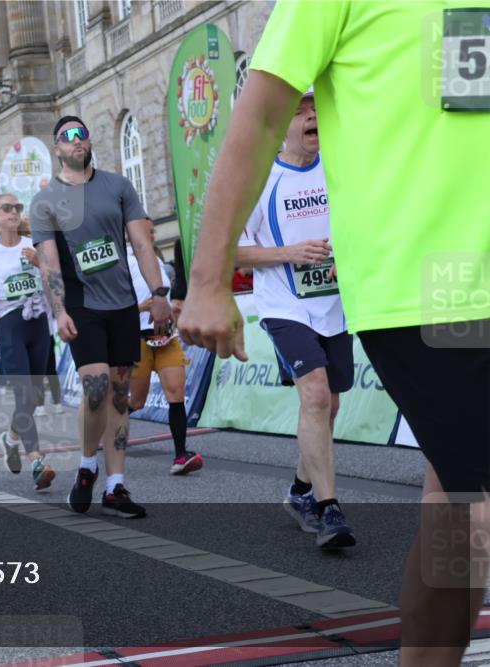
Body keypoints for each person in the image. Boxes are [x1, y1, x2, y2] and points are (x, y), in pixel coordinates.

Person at [178, 3, 488, 663]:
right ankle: (320, 496)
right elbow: (261, 115)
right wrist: (207, 278)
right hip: (426, 289)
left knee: (458, 511)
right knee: (471, 504)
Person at [232, 90, 355, 548]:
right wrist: (290, 253)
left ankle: (301, 491)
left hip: (335, 305)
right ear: (281, 126)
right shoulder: (261, 179)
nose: (310, 117)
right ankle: (329, 510)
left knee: (330, 405)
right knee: (316, 395)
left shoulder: (340, 167)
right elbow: (234, 252)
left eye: (315, 109)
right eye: (299, 112)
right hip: (284, 305)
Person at [31, 116, 171, 518]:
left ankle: (115, 486)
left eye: (82, 133)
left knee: (120, 394)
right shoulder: (45, 201)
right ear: (57, 149)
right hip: (82, 305)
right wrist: (59, 311)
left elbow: (142, 244)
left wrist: (159, 293)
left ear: (89, 142)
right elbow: (49, 264)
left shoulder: (118, 187)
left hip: (122, 304)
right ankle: (87, 465)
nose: (77, 140)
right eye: (67, 136)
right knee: (96, 388)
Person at [0, 193, 56, 490]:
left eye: (17, 208)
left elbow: (57, 279)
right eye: (6, 208)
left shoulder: (34, 246)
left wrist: (41, 263)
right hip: (9, 325)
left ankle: (10, 439)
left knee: (34, 395)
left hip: (39, 322)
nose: (13, 212)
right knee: (25, 392)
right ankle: (36, 461)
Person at [125, 243, 203, 475]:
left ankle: (181, 456)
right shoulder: (122, 260)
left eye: (151, 231)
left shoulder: (156, 261)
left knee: (176, 394)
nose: (150, 234)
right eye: (146, 230)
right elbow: (111, 308)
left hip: (166, 337)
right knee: (137, 402)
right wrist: (140, 307)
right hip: (137, 338)